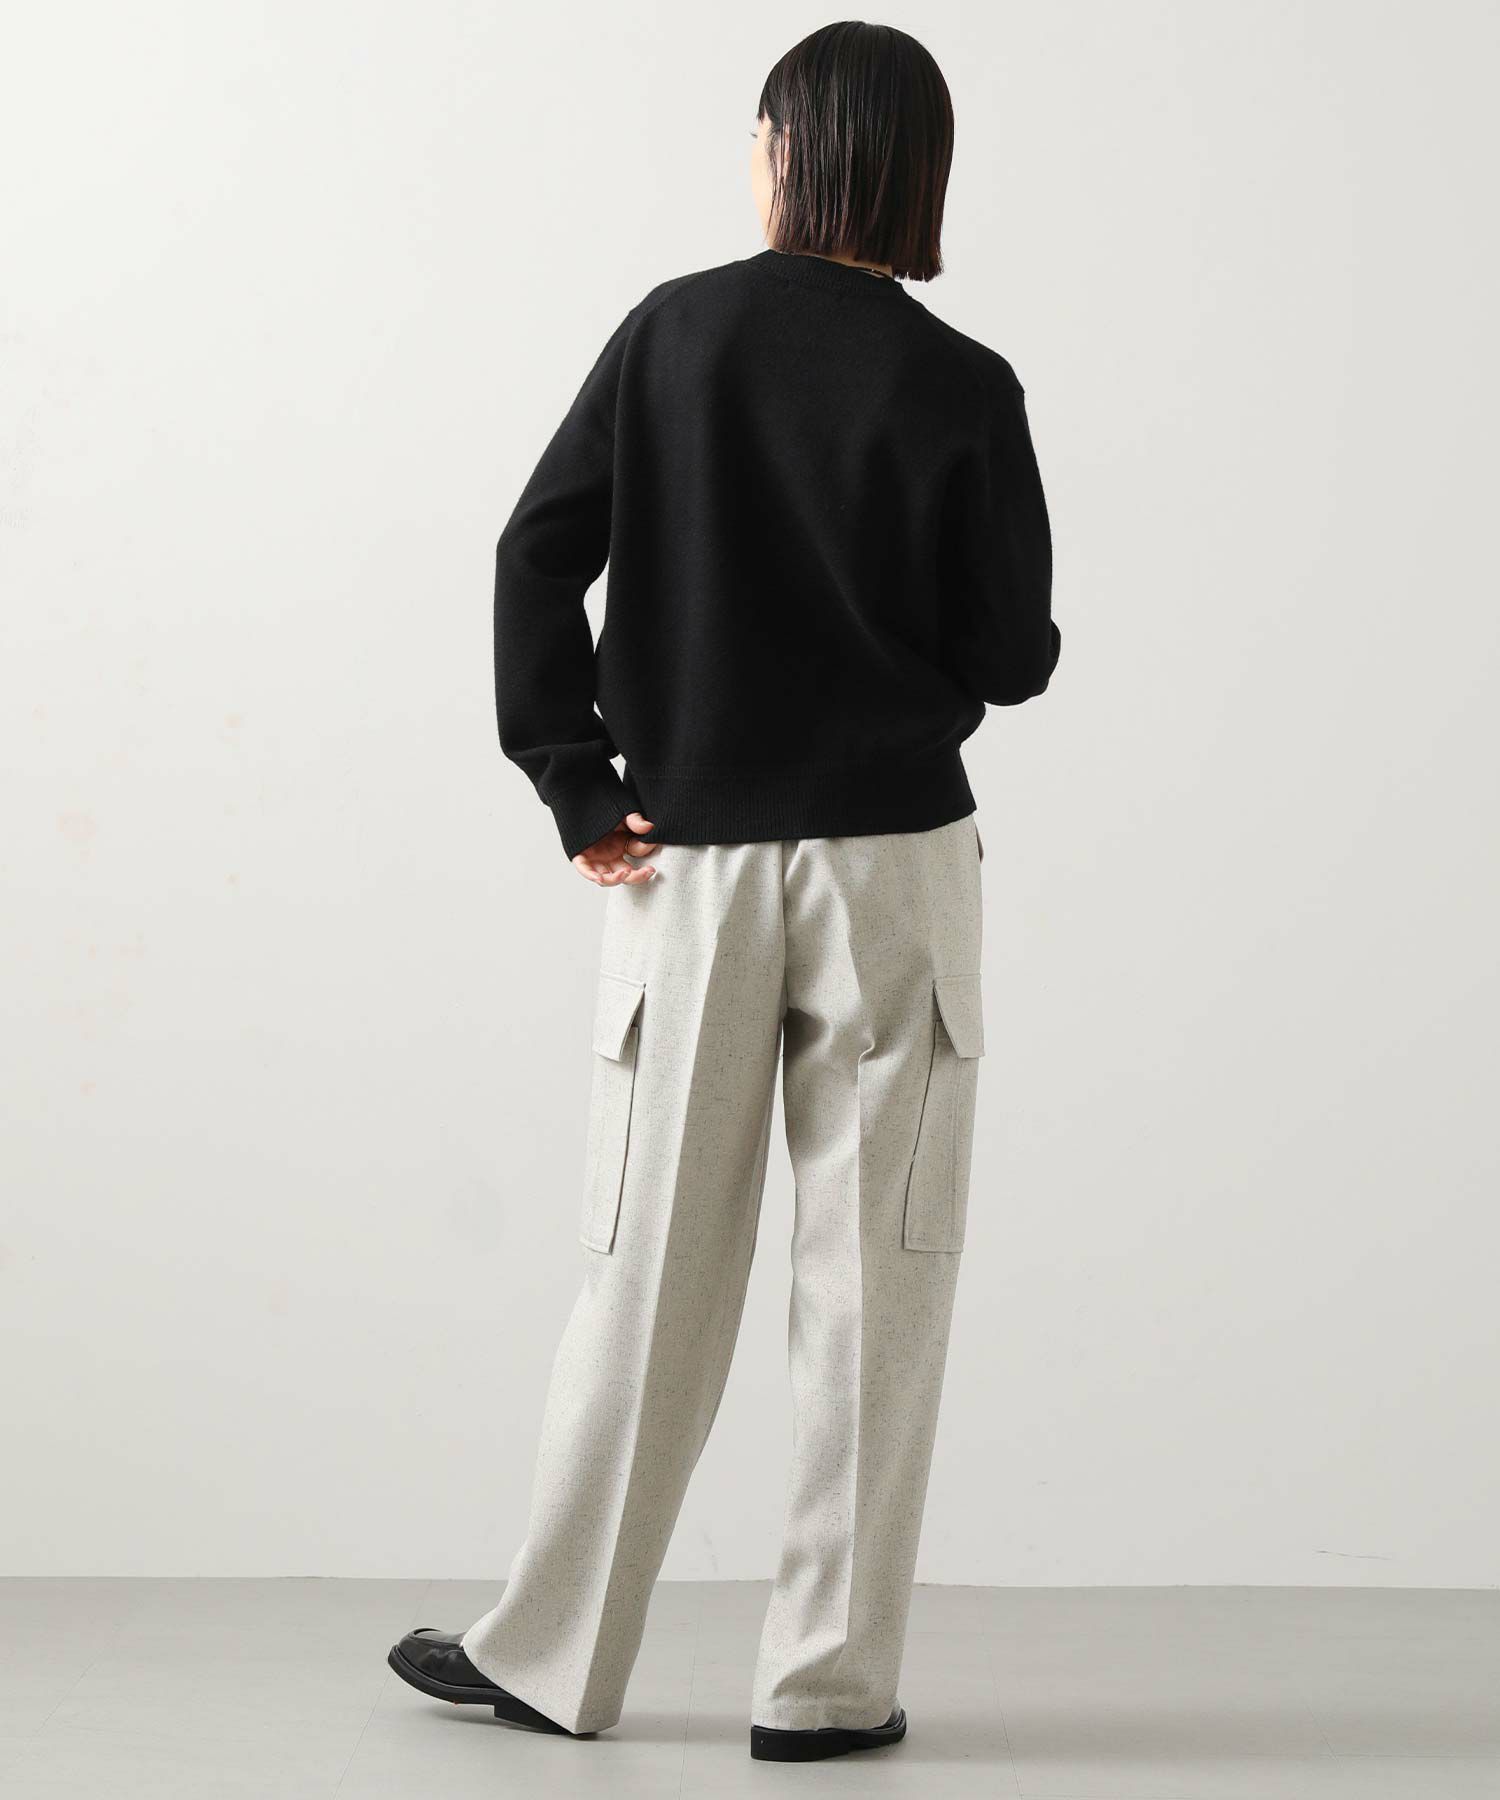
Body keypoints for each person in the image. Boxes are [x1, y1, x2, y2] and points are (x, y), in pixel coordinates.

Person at [387, 18, 1059, 1765]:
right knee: (878, 1286)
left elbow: (537, 552)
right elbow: (1016, 655)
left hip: (683, 863)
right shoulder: (965, 384)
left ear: (787, 148)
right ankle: (825, 1689)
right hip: (897, 873)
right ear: (920, 172)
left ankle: (554, 1660)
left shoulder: (673, 336)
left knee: (647, 1272)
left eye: (759, 134)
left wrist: (574, 777)